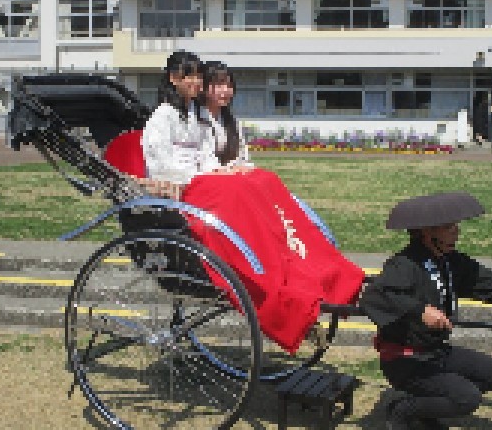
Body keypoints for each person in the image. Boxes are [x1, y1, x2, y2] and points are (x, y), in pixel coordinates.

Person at [141, 55, 365, 353]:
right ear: (173, 79)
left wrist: (222, 170)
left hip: (204, 179)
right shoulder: (163, 116)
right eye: (189, 76)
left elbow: (206, 155)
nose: (195, 82)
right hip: (182, 186)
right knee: (238, 189)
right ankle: (268, 265)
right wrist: (208, 175)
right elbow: (160, 163)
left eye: (198, 77)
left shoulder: (194, 114)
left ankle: (296, 255)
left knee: (263, 179)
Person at [358, 192, 492, 430]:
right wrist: (420, 310)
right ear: (427, 232)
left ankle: (427, 407)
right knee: (467, 398)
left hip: (436, 352)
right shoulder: (404, 264)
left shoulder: (450, 261)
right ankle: (402, 410)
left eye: (456, 226)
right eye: (449, 227)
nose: (456, 231)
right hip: (406, 360)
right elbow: (373, 297)